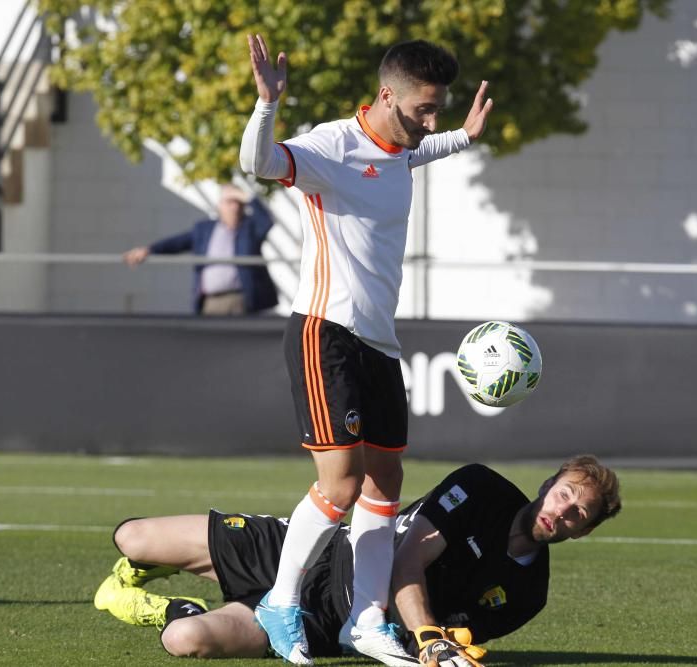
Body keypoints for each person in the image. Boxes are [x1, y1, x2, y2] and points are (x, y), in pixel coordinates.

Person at [237, 33, 494, 666]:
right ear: (387, 96)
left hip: (379, 342)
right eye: (423, 110)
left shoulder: (402, 147)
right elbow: (259, 164)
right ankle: (281, 600)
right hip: (327, 331)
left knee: (386, 482)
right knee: (341, 484)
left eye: (437, 110)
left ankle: (367, 618)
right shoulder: (331, 147)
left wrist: (462, 136)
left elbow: (416, 151)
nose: (428, 121)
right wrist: (267, 104)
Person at [93, 455, 622, 665]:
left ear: (585, 531)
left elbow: (451, 639)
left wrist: (437, 646)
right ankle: (136, 570)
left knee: (186, 642)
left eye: (581, 513)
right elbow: (407, 561)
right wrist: (429, 636)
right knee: (132, 536)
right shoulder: (480, 486)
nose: (565, 511)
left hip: (324, 623)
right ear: (549, 484)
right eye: (565, 494)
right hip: (315, 553)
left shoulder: (528, 596)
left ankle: (170, 608)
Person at [122, 184, 279, 315]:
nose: (235, 206)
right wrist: (149, 250)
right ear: (220, 205)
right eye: (229, 202)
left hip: (240, 299)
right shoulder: (204, 229)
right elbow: (177, 243)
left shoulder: (249, 228)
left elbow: (266, 220)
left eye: (238, 202)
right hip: (210, 301)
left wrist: (244, 195)